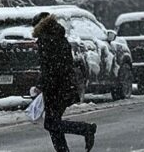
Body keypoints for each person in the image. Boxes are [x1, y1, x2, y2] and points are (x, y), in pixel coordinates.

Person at [32, 12, 96, 152]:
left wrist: (41, 85)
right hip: (63, 86)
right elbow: (59, 64)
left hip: (55, 89)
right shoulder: (58, 37)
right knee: (53, 122)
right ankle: (64, 149)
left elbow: (50, 67)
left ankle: (86, 129)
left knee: (51, 123)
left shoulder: (47, 40)